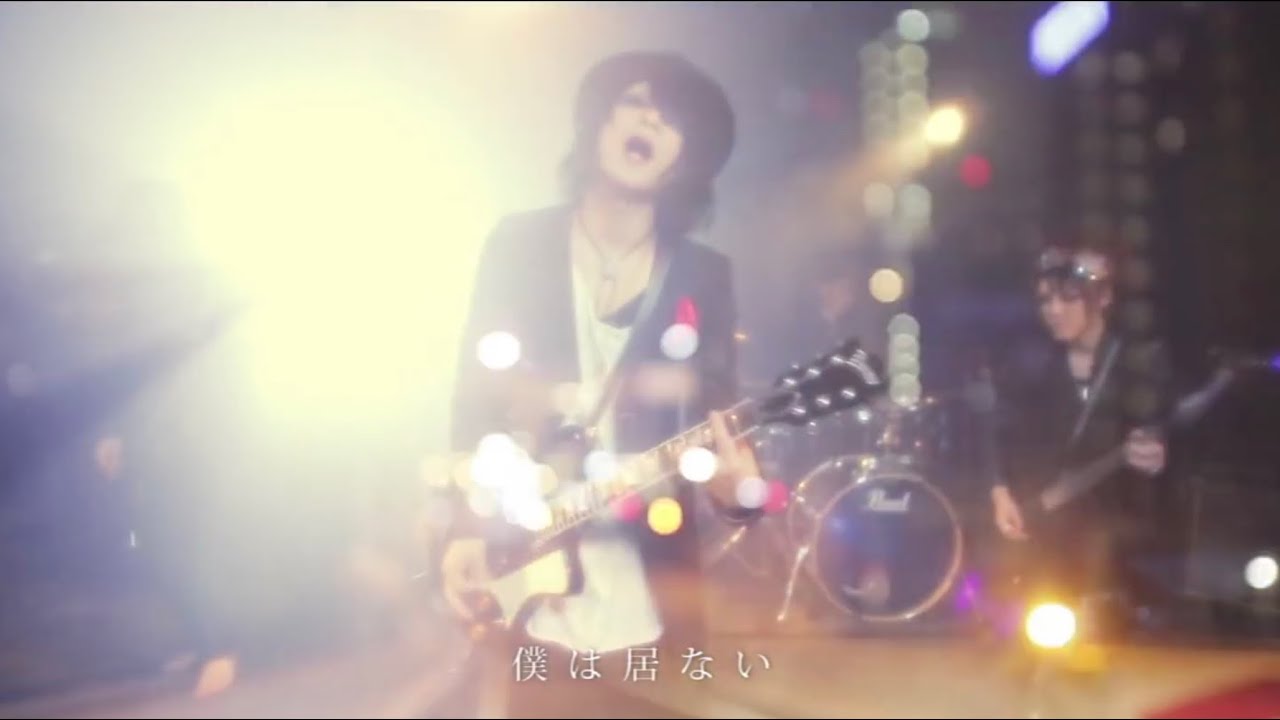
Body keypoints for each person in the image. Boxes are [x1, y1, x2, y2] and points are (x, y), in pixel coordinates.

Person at [432, 52, 766, 718]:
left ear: (686, 159)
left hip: (653, 602)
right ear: (598, 122)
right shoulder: (519, 245)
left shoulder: (704, 275)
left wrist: (738, 495)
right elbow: (476, 401)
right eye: (635, 101)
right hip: (531, 588)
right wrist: (464, 529)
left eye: (673, 119)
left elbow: (718, 421)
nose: (650, 120)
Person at [987, 243, 1170, 618]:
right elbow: (999, 433)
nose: (1054, 310)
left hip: (1117, 538)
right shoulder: (1028, 364)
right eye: (1045, 300)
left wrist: (1159, 457)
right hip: (1045, 532)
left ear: (1103, 297)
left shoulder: (1140, 361)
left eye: (1068, 298)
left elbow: (1169, 435)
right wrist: (1000, 493)